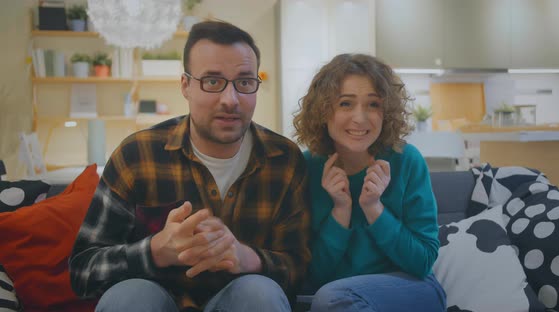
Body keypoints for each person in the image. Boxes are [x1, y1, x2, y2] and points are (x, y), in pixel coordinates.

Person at [69, 21, 310, 312]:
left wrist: (247, 258)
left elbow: (301, 270)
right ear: (185, 86)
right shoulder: (137, 155)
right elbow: (82, 272)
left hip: (241, 299)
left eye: (244, 82)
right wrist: (155, 251)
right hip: (155, 299)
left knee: (259, 293)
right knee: (129, 297)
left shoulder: (284, 160)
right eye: (212, 81)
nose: (230, 100)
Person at [292, 53, 446, 312]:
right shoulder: (306, 167)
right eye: (345, 104)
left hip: (412, 290)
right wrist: (340, 211)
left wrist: (374, 209)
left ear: (387, 112)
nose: (360, 118)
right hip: (335, 299)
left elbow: (422, 262)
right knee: (330, 297)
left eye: (373, 104)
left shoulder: (406, 160)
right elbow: (312, 277)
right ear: (323, 110)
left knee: (332, 297)